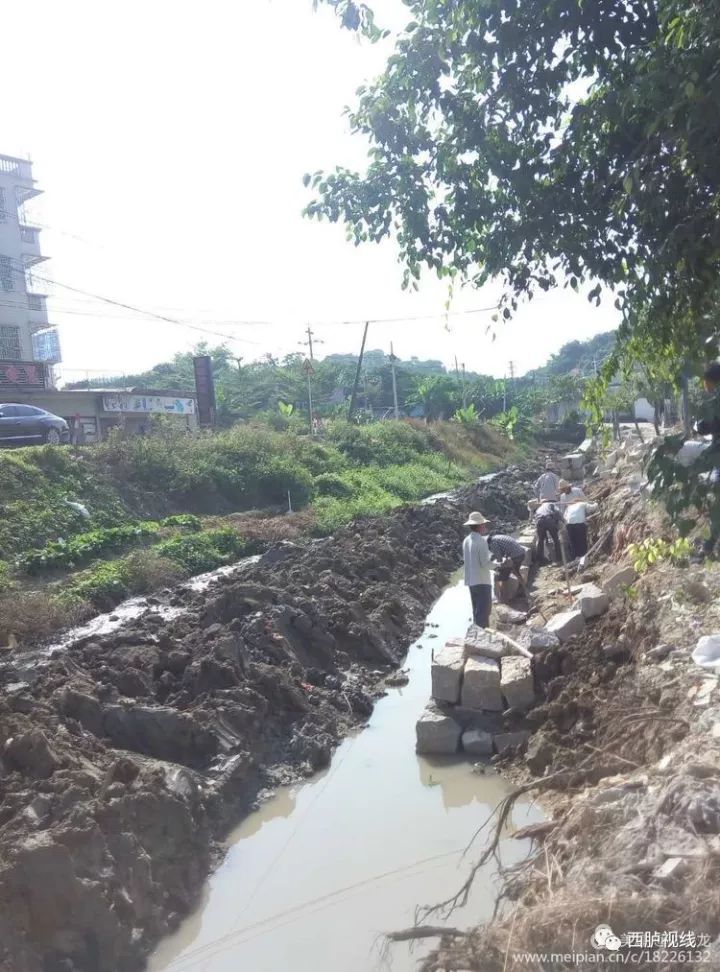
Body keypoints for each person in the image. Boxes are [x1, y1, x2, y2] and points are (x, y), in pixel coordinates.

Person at [695, 362, 720, 555]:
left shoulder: (715, 402)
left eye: (705, 382)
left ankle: (710, 544)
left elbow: (705, 427)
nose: (704, 385)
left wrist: (698, 424)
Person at [462, 511, 492, 627]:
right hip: (482, 581)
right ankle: (482, 639)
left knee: (476, 612)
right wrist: (498, 564)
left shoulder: (466, 540)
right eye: (483, 524)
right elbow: (485, 564)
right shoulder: (481, 541)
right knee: (484, 613)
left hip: (471, 581)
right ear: (480, 526)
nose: (485, 526)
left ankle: (475, 638)